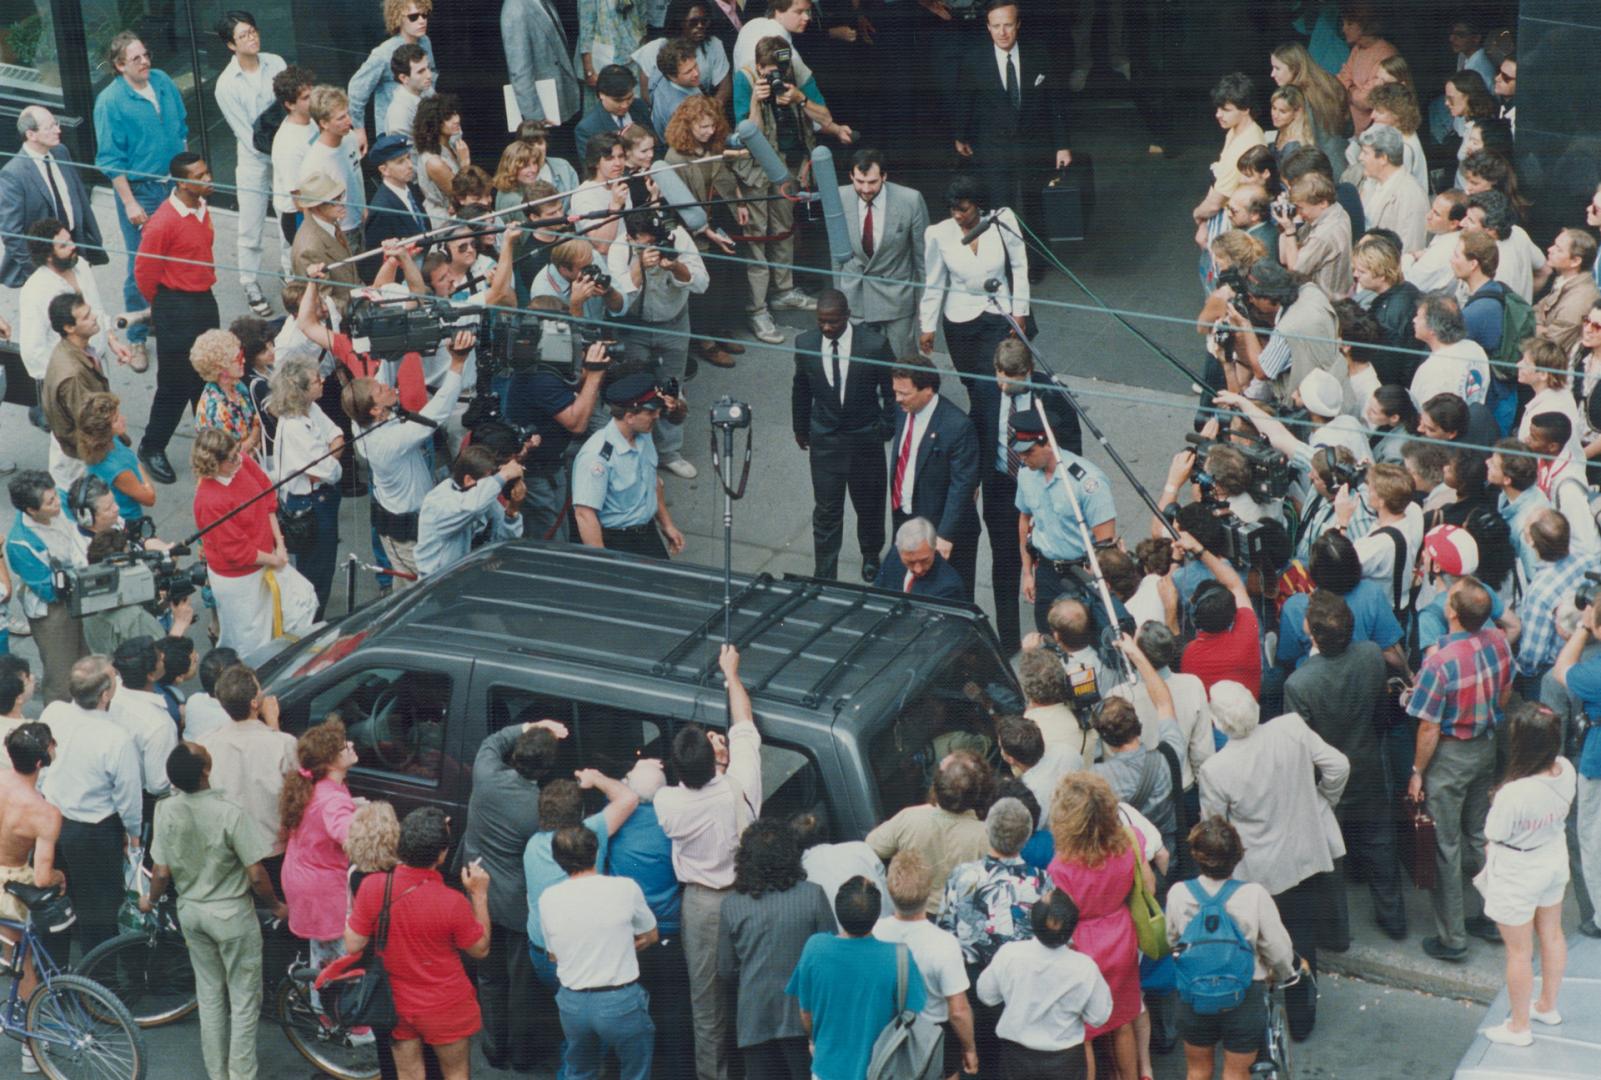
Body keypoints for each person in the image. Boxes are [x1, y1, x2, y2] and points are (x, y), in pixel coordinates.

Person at [1200, 680, 1347, 1036]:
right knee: (1301, 933)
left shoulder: (1216, 769)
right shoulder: (1291, 727)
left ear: (1218, 723)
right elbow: (1338, 766)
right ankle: (1302, 1017)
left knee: (1261, 943)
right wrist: (1323, 801)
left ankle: (1258, 1019)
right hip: (1304, 850)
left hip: (1258, 869)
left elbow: (1214, 830)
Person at [141, 742, 283, 1080]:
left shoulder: (165, 810)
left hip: (191, 911)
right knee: (244, 998)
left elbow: (160, 872)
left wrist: (150, 899)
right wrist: (276, 906)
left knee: (209, 995)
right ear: (206, 771)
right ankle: (241, 1073)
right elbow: (256, 875)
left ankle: (217, 1073)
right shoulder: (231, 812)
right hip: (232, 914)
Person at [654, 643, 760, 1080]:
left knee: (707, 1007)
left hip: (700, 907)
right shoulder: (741, 780)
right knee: (755, 996)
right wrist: (732, 675)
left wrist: (710, 759)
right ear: (715, 760)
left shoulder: (667, 803)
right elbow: (744, 723)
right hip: (749, 897)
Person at [1283, 589, 1404, 937]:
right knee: (1381, 845)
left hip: (1326, 782)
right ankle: (1394, 920)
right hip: (1368, 764)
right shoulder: (1370, 656)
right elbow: (1382, 712)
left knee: (1329, 857)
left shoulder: (1299, 683)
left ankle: (1337, 934)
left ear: (1313, 633)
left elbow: (1300, 744)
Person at [1407, 577, 1513, 961]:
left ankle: (1453, 939)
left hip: (1450, 757)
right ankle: (1492, 917)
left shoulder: (1439, 661)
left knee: (1446, 846)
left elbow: (1429, 725)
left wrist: (1418, 770)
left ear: (1451, 611)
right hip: (1485, 746)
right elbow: (1505, 690)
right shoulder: (1499, 641)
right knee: (1479, 835)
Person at [346, 807, 490, 1080]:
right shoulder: (453, 902)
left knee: (409, 1074)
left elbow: (353, 945)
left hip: (397, 1003)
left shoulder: (374, 886)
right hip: (446, 1006)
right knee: (456, 1073)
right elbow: (480, 949)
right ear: (441, 855)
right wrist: (479, 895)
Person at [458, 714, 565, 1073]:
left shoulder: (485, 773)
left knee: (488, 977)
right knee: (521, 985)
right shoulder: (536, 808)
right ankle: (520, 1055)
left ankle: (493, 1047)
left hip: (479, 893)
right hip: (516, 903)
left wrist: (534, 724)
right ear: (545, 770)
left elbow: (494, 740)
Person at [1468, 703, 1574, 1046]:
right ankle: (1547, 1006)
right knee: (1553, 935)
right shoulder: (1567, 769)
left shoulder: (1512, 793)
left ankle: (1519, 1027)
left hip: (1518, 869)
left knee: (1518, 952)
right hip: (1553, 858)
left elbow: (1493, 833)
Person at [1165, 817, 1298, 1080]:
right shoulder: (1255, 895)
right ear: (1237, 857)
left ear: (1196, 855)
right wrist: (1284, 973)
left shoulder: (1178, 893)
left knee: (1198, 1070)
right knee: (1237, 1074)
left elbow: (1172, 940)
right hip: (1243, 995)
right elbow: (1279, 950)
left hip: (1193, 995)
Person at [340, 326, 474, 586]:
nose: (386, 386)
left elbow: (386, 375)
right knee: (429, 593)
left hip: (394, 531)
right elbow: (437, 412)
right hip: (411, 539)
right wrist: (457, 364)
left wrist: (400, 339)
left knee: (404, 593)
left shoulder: (361, 422)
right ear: (377, 409)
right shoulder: (389, 441)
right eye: (379, 390)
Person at [92, 32, 187, 373]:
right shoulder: (109, 102)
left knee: (177, 256)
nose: (145, 61)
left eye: (146, 54)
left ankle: (171, 322)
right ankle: (136, 336)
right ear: (119, 66)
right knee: (141, 265)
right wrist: (130, 203)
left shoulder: (161, 81)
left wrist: (187, 178)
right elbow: (111, 160)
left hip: (173, 185)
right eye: (136, 58)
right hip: (141, 191)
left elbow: (181, 128)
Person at [1047, 771, 1151, 1077]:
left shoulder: (1060, 867)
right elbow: (1146, 884)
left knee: (1086, 1034)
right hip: (1121, 936)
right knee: (1122, 1022)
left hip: (1082, 946)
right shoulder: (1130, 844)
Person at [951, 0, 1070, 270]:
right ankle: (1002, 265)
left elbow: (1055, 103)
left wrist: (1062, 145)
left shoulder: (1038, 53)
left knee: (1034, 205)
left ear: (1018, 24)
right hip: (993, 144)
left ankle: (1037, 264)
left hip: (1033, 142)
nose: (1002, 32)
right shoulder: (974, 60)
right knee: (998, 207)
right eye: (996, 26)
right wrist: (961, 135)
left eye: (1007, 25)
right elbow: (964, 100)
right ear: (988, 27)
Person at [717, 818, 838, 1078]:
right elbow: (830, 958)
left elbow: (726, 970)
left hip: (755, 1018)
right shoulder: (813, 895)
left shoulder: (731, 906)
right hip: (805, 1017)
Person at [38, 656, 142, 953]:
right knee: (98, 913)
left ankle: (55, 974)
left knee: (56, 905)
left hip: (54, 822)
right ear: (105, 695)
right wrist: (132, 834)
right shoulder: (116, 738)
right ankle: (99, 981)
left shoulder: (54, 712)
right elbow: (128, 796)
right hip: (95, 832)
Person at [792, 289, 897, 581]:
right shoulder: (806, 343)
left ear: (848, 317)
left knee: (870, 504)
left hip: (865, 439)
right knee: (826, 511)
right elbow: (800, 388)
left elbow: (892, 391)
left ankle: (871, 553)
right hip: (825, 441)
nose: (826, 328)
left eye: (833, 322)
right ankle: (825, 573)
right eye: (821, 322)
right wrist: (800, 427)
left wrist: (886, 427)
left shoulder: (874, 346)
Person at [539, 824, 658, 1079]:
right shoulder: (626, 888)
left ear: (558, 860)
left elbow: (553, 955)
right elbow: (651, 934)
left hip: (572, 1004)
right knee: (636, 1072)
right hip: (620, 1001)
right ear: (595, 851)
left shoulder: (548, 898)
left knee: (580, 1071)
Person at [131, 151, 220, 486]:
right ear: (182, 183)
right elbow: (144, 273)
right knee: (175, 384)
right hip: (175, 305)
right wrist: (165, 307)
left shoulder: (200, 205)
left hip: (202, 300)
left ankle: (210, 444)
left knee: (208, 374)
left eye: (207, 171)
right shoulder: (163, 222)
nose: (208, 179)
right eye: (199, 176)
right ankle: (151, 446)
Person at [786, 875, 928, 1080]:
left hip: (827, 1069)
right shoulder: (899, 957)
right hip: (882, 1070)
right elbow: (914, 1014)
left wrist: (813, 1041)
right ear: (876, 913)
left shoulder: (815, 948)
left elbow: (805, 1012)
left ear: (838, 909)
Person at [191, 429, 317, 655]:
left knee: (303, 603)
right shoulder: (208, 500)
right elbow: (237, 552)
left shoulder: (242, 463)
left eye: (237, 451)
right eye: (232, 458)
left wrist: (279, 544)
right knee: (251, 641)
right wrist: (275, 559)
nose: (240, 458)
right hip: (240, 579)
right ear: (213, 464)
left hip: (268, 556)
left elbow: (268, 497)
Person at [606, 209, 708, 480]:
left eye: (656, 240)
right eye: (645, 242)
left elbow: (702, 285)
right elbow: (618, 303)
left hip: (673, 323)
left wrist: (675, 266)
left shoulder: (677, 237)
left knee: (672, 386)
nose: (653, 246)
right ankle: (637, 453)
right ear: (630, 237)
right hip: (634, 329)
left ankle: (670, 452)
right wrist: (638, 265)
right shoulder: (619, 249)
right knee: (637, 389)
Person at [975, 888, 1112, 1080]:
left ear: (1033, 920)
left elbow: (986, 995)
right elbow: (1099, 1016)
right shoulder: (1084, 967)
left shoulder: (1010, 954)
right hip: (1065, 1059)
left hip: (1016, 1058)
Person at [919, 176, 1030, 409]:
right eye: (952, 209)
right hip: (959, 318)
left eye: (963, 209)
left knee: (994, 377)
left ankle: (1001, 422)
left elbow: (1020, 267)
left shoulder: (1001, 221)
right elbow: (934, 282)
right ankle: (982, 425)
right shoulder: (939, 233)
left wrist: (1020, 311)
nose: (957, 215)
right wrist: (927, 326)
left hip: (997, 310)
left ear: (978, 205)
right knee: (972, 382)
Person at [1011, 408, 1115, 636]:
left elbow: (1105, 542)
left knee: (1084, 637)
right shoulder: (1026, 474)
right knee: (1047, 636)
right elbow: (1024, 519)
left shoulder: (1087, 481)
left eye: (1028, 452)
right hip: (1047, 570)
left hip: (1081, 572)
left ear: (1048, 443)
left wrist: (1100, 580)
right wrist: (1027, 572)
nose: (1022, 458)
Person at [196, 663, 299, 886]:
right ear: (254, 703)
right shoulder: (283, 744)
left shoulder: (205, 743)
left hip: (229, 854)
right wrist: (273, 723)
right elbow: (296, 790)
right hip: (272, 853)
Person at [887, 355, 981, 596]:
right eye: (895, 392)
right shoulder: (904, 411)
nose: (897, 399)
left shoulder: (957, 426)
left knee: (950, 598)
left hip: (944, 530)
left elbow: (963, 484)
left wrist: (945, 535)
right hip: (907, 520)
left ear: (927, 390)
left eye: (904, 393)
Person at [213, 12, 286, 317]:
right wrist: (273, 151)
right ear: (231, 45)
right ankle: (249, 281)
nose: (251, 38)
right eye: (243, 36)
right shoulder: (226, 85)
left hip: (284, 151)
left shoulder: (276, 63)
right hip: (255, 158)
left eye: (253, 32)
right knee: (251, 223)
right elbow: (246, 134)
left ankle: (290, 271)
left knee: (288, 213)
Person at [570, 372, 688, 558]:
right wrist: (603, 564)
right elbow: (585, 515)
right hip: (617, 541)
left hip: (646, 534)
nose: (657, 416)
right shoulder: (596, 457)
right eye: (650, 412)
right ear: (629, 416)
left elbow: (652, 482)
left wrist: (667, 524)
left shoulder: (644, 434)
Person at [0, 108, 104, 316]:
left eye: (56, 123)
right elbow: (12, 233)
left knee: (85, 305)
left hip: (74, 244)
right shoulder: (13, 174)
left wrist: (92, 237)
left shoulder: (61, 152)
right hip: (48, 259)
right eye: (50, 127)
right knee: (62, 318)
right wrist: (40, 271)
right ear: (31, 134)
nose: (58, 130)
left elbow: (78, 196)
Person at [279, 719, 359, 982]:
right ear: (330, 762)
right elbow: (350, 838)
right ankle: (347, 1017)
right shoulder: (333, 800)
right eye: (343, 746)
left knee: (323, 956)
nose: (351, 745)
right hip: (323, 889)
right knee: (344, 961)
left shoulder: (316, 787)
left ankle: (323, 1011)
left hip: (303, 879)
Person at [266, 354, 344, 618]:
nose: (322, 382)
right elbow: (330, 471)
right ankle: (310, 623)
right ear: (299, 391)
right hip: (310, 506)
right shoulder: (295, 427)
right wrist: (331, 455)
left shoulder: (310, 407)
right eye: (315, 380)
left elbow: (337, 435)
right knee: (316, 572)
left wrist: (329, 454)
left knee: (323, 566)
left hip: (321, 497)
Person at [869, 749, 991, 914]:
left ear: (936, 786)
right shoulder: (985, 835)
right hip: (964, 918)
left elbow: (872, 846)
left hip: (917, 912)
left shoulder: (909, 818)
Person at [836, 148, 929, 361]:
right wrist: (839, 298)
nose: (866, 189)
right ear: (851, 176)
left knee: (903, 366)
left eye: (873, 182)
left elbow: (922, 261)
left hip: (897, 301)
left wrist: (925, 313)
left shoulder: (911, 200)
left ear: (884, 177)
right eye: (859, 181)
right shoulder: (839, 197)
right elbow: (836, 256)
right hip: (855, 299)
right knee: (860, 369)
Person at [5, 470, 87, 703]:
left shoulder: (60, 502)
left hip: (79, 589)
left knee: (88, 656)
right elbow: (49, 591)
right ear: (32, 510)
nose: (58, 501)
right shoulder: (20, 543)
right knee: (61, 671)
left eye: (55, 496)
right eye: (50, 502)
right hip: (54, 610)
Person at [40, 292, 114, 492]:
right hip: (82, 460)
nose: (94, 318)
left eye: (90, 312)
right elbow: (89, 423)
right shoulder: (73, 375)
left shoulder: (74, 349)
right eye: (86, 317)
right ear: (69, 327)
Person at [1190, 74, 1268, 265]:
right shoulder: (1235, 131)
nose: (1218, 114)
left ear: (1245, 109)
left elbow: (1215, 203)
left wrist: (1198, 215)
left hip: (1234, 220)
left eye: (1226, 110)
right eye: (1218, 108)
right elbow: (1217, 178)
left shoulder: (1245, 145)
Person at [414, 445, 526, 578]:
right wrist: (504, 475)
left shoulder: (480, 497)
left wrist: (512, 509)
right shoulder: (439, 502)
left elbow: (505, 538)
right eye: (487, 481)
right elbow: (472, 507)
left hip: (465, 576)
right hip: (436, 581)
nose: (491, 486)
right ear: (468, 480)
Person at [1176, 533, 1261, 699]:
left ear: (1196, 619)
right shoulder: (1247, 632)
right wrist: (1199, 550)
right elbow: (1234, 583)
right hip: (1250, 713)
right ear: (1233, 616)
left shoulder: (1190, 654)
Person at [346, 0, 435, 150]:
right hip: (393, 130)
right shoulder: (384, 53)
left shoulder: (425, 42)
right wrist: (359, 129)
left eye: (424, 15)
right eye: (413, 17)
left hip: (422, 124)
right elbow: (356, 89)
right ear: (398, 18)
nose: (421, 20)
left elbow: (430, 79)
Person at [109, 637, 179, 803]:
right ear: (151, 675)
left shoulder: (111, 691)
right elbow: (159, 784)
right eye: (160, 658)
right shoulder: (159, 725)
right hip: (139, 799)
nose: (163, 656)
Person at [299, 86, 367, 250]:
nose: (348, 121)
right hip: (341, 231)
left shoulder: (350, 138)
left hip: (362, 221)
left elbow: (356, 177)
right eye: (340, 118)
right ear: (323, 123)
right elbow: (306, 206)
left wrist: (364, 209)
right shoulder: (314, 162)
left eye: (347, 114)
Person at [77, 394, 156, 526]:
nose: (123, 419)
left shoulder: (107, 442)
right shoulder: (116, 469)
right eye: (115, 420)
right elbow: (150, 498)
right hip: (129, 522)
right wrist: (145, 482)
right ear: (103, 431)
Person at [502, 0, 582, 130]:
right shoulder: (515, 9)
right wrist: (536, 119)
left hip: (561, 103)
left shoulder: (543, 2)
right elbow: (519, 72)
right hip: (544, 114)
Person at [1276, 171, 1353, 300]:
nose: (1299, 214)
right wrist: (1285, 225)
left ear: (1323, 203)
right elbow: (1285, 258)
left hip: (1326, 303)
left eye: (1301, 208)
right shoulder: (1337, 210)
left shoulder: (1324, 234)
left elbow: (1295, 270)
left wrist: (1289, 230)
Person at [1356, 124, 1429, 254]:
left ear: (1383, 158)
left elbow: (1410, 250)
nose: (1360, 157)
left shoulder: (1411, 196)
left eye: (1365, 153)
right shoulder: (1371, 183)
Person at [1410, 292, 1489, 410]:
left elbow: (1425, 415)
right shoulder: (1475, 349)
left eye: (1419, 317)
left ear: (1432, 329)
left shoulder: (1431, 371)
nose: (1414, 320)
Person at [269, 65, 316, 259]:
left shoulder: (311, 120)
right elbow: (298, 199)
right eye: (305, 98)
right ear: (290, 104)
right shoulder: (288, 143)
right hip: (300, 216)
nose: (313, 100)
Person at [1534, 229, 1601, 354]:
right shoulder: (1564, 281)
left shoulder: (1578, 299)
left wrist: (1535, 327)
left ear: (1575, 261)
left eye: (1558, 249)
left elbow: (1550, 344)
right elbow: (1535, 310)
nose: (1550, 249)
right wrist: (1541, 327)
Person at [1335, 4, 1397, 133]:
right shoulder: (1358, 48)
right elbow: (1340, 80)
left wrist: (1349, 90)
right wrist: (1354, 90)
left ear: (1365, 26)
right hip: (1353, 125)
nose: (1343, 29)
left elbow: (1367, 100)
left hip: (1374, 129)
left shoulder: (1385, 53)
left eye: (1349, 24)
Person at [383, 43, 433, 138]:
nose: (429, 75)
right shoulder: (399, 113)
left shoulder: (428, 91)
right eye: (421, 71)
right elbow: (408, 152)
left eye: (428, 68)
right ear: (404, 78)